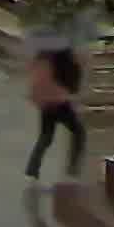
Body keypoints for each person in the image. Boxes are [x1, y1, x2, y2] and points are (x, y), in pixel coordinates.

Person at [22, 35, 86, 181]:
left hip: (46, 103)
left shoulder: (42, 56)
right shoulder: (61, 55)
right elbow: (72, 72)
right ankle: (73, 170)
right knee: (78, 132)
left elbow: (35, 80)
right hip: (58, 101)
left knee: (46, 137)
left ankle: (32, 169)